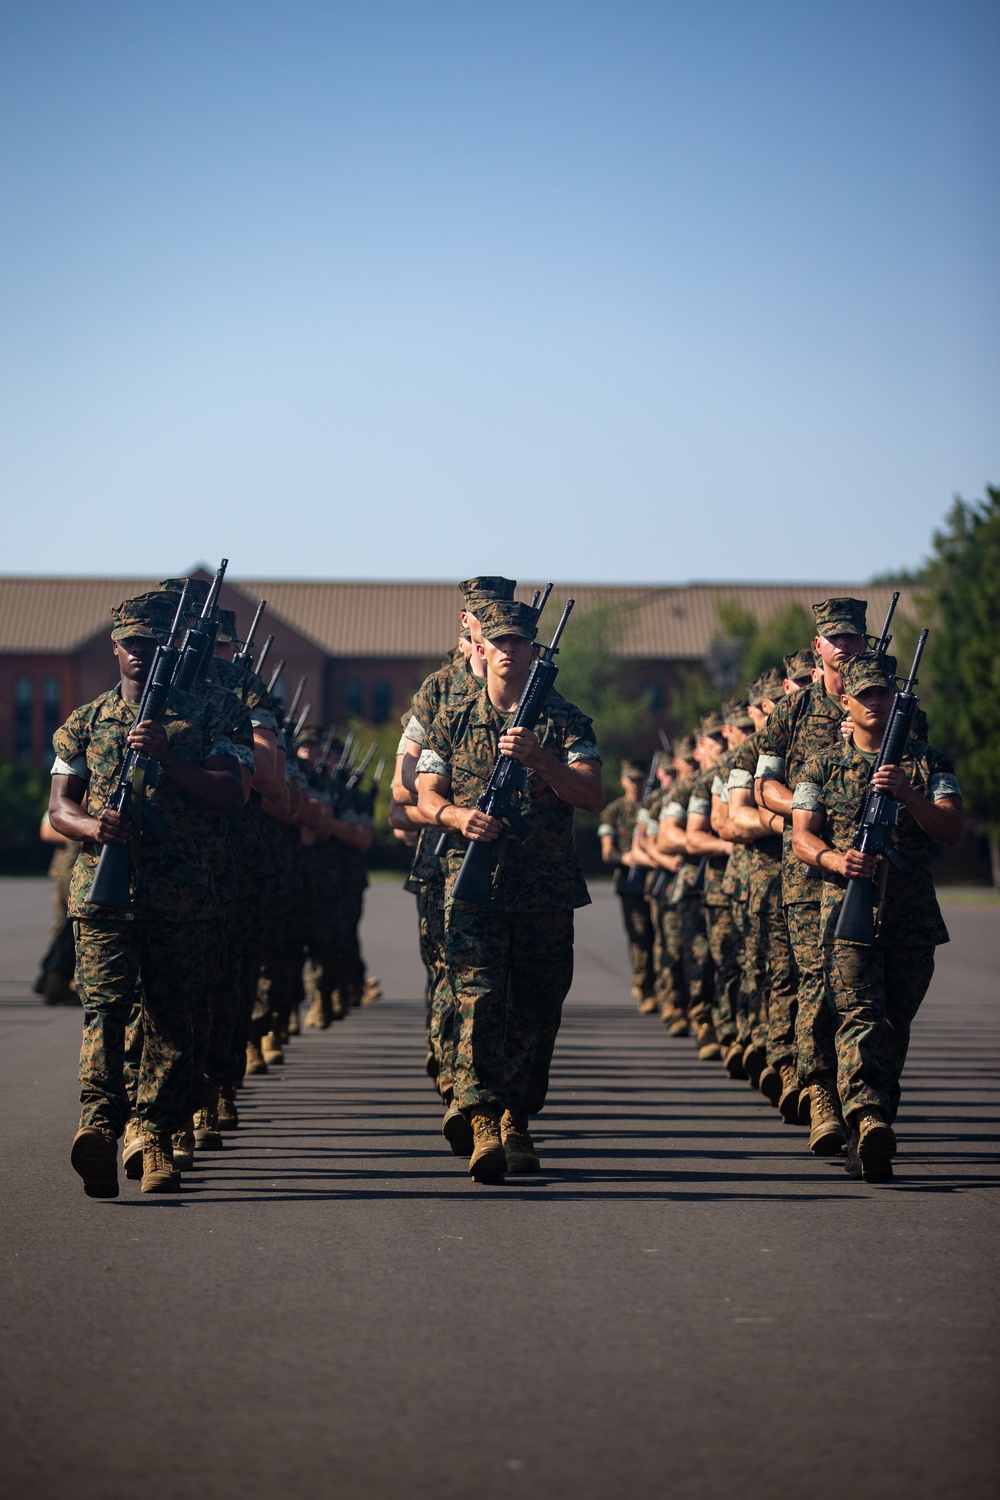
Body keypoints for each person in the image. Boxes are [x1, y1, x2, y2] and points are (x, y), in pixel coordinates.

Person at [48, 592, 248, 1198]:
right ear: (115, 647)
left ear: (172, 647)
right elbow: (59, 807)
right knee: (105, 1013)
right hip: (104, 897)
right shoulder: (86, 721)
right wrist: (92, 827)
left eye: (153, 643)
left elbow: (233, 795)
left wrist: (169, 757)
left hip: (182, 895)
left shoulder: (214, 713)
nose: (141, 653)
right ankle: (99, 1128)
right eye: (131, 642)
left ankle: (153, 1134)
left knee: (174, 1021)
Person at [416, 598, 603, 1184]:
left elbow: (591, 794)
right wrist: (456, 818)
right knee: (477, 1000)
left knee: (538, 1005)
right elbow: (424, 793)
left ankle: (517, 1115)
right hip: (472, 890)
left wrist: (541, 760)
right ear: (479, 647)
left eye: (517, 643)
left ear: (532, 650)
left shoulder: (566, 720)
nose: (505, 651)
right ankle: (483, 1121)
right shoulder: (454, 716)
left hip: (544, 889)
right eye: (496, 642)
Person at [790, 651, 963, 1182]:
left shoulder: (929, 764)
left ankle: (874, 1109)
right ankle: (868, 1118)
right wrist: (837, 859)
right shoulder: (820, 765)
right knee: (860, 1017)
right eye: (865, 694)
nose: (876, 703)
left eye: (884, 694)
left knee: (895, 1024)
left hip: (911, 918)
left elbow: (952, 829)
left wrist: (908, 794)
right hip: (848, 914)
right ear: (846, 700)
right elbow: (801, 836)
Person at [755, 599, 870, 1153]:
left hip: (878, 874)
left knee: (872, 994)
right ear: (818, 646)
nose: (844, 647)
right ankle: (821, 1089)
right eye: (835, 639)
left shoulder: (890, 708)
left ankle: (866, 1100)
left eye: (854, 639)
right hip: (808, 872)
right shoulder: (791, 712)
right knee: (817, 979)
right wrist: (806, 806)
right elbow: (764, 788)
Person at [598, 760, 658, 1012]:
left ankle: (661, 985)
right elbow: (607, 851)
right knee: (639, 933)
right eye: (631, 780)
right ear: (623, 781)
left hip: (655, 879)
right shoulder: (612, 811)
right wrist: (625, 858)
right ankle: (644, 986)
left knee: (659, 935)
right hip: (629, 881)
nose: (636, 785)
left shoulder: (653, 806)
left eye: (640, 780)